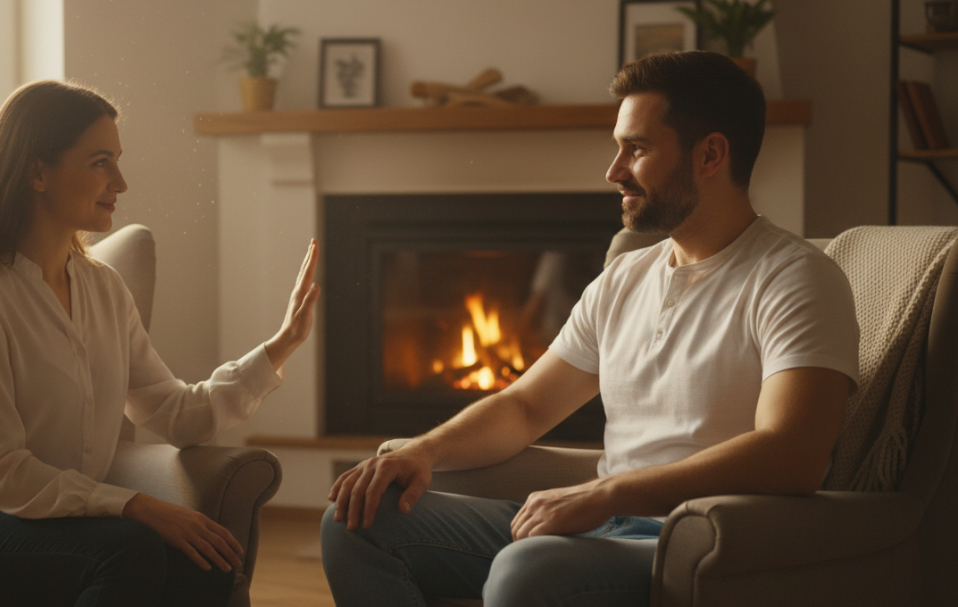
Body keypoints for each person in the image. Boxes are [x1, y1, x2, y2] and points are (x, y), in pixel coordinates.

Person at [320, 51, 860, 607]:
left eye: (639, 148)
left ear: (711, 155)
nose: (614, 170)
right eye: (618, 147)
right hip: (594, 523)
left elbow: (793, 454)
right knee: (355, 519)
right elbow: (526, 407)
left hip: (692, 540)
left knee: (528, 569)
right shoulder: (625, 277)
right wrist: (424, 452)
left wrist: (606, 493)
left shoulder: (795, 279)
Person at [0, 79, 320, 607]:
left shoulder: (103, 289)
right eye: (100, 162)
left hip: (54, 530)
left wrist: (282, 344)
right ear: (36, 171)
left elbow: (176, 414)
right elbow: (3, 473)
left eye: (116, 160)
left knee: (207, 562)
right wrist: (136, 505)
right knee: (129, 550)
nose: (121, 181)